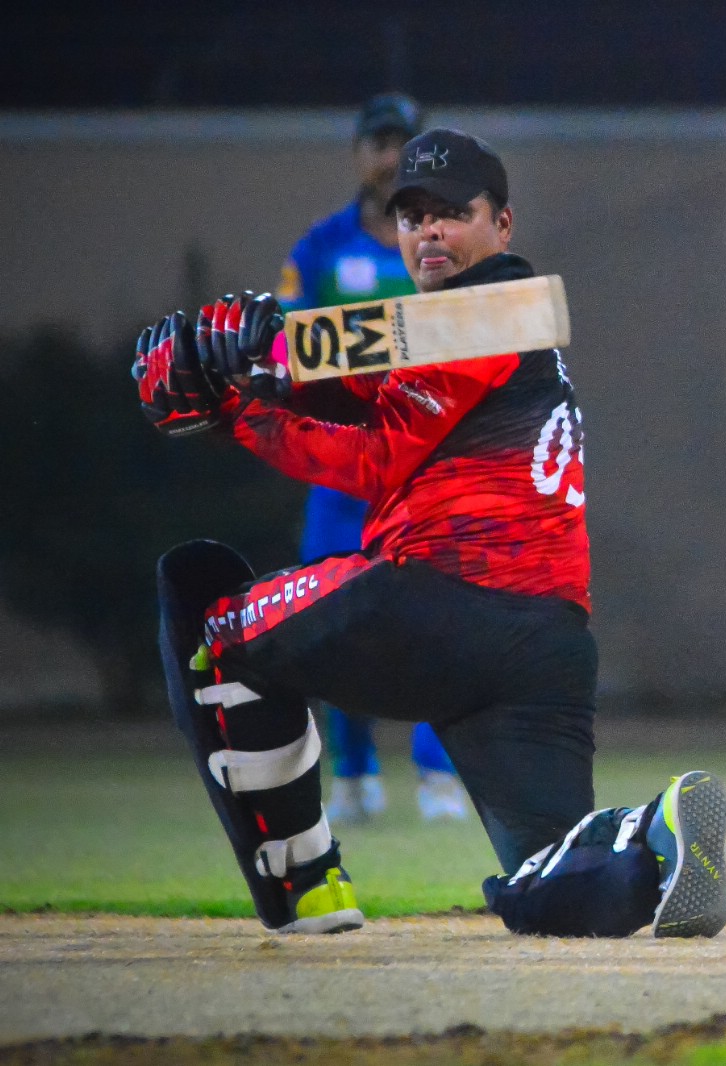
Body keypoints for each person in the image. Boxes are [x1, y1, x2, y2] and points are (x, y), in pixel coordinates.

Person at [132, 127, 726, 939]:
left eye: (451, 213)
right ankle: (653, 840)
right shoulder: (472, 325)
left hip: (440, 602)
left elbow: (372, 455)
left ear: (503, 224)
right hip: (546, 643)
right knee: (545, 887)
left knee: (207, 619)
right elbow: (362, 389)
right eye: (412, 217)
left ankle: (306, 885)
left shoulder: (482, 313)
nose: (429, 232)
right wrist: (261, 365)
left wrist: (235, 408)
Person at [277, 92, 468, 825]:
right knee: (334, 620)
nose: (391, 158)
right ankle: (353, 774)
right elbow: (289, 345)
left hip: (428, 466)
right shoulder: (322, 247)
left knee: (437, 620)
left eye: (404, 143)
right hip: (344, 468)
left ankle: (439, 774)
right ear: (359, 153)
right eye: (379, 143)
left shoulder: (445, 245)